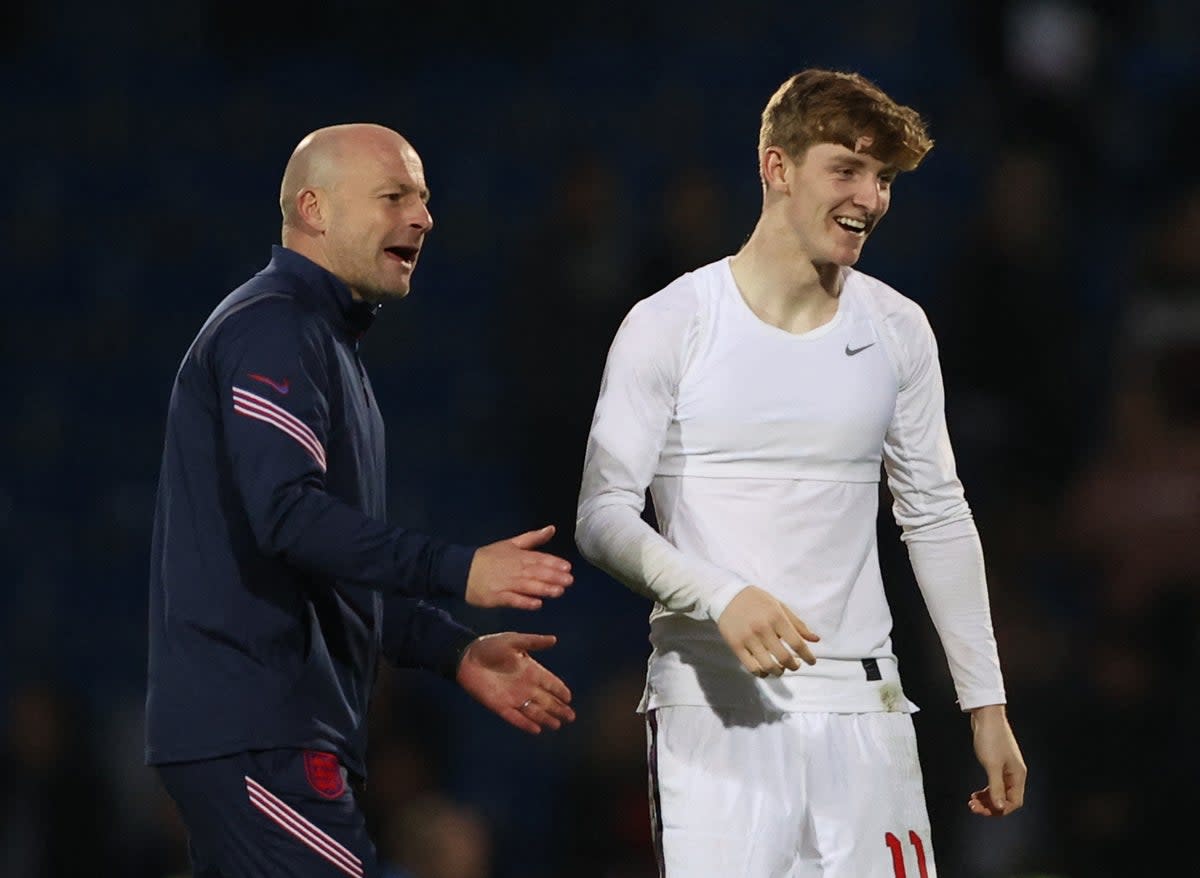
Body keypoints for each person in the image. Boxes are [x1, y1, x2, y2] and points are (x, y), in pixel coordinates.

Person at [575, 69, 1027, 877]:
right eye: (847, 169)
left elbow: (936, 517)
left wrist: (984, 704)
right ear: (776, 168)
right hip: (714, 709)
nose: (871, 197)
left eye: (883, 178)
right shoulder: (670, 324)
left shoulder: (898, 330)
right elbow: (603, 516)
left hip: (868, 707)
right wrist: (721, 596)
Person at [146, 123, 576, 878]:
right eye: (394, 196)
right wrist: (456, 567)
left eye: (425, 197)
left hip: (276, 730)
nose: (423, 215)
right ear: (314, 208)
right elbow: (287, 517)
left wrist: (453, 649)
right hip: (261, 729)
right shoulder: (274, 327)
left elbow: (327, 563)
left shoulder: (323, 340)